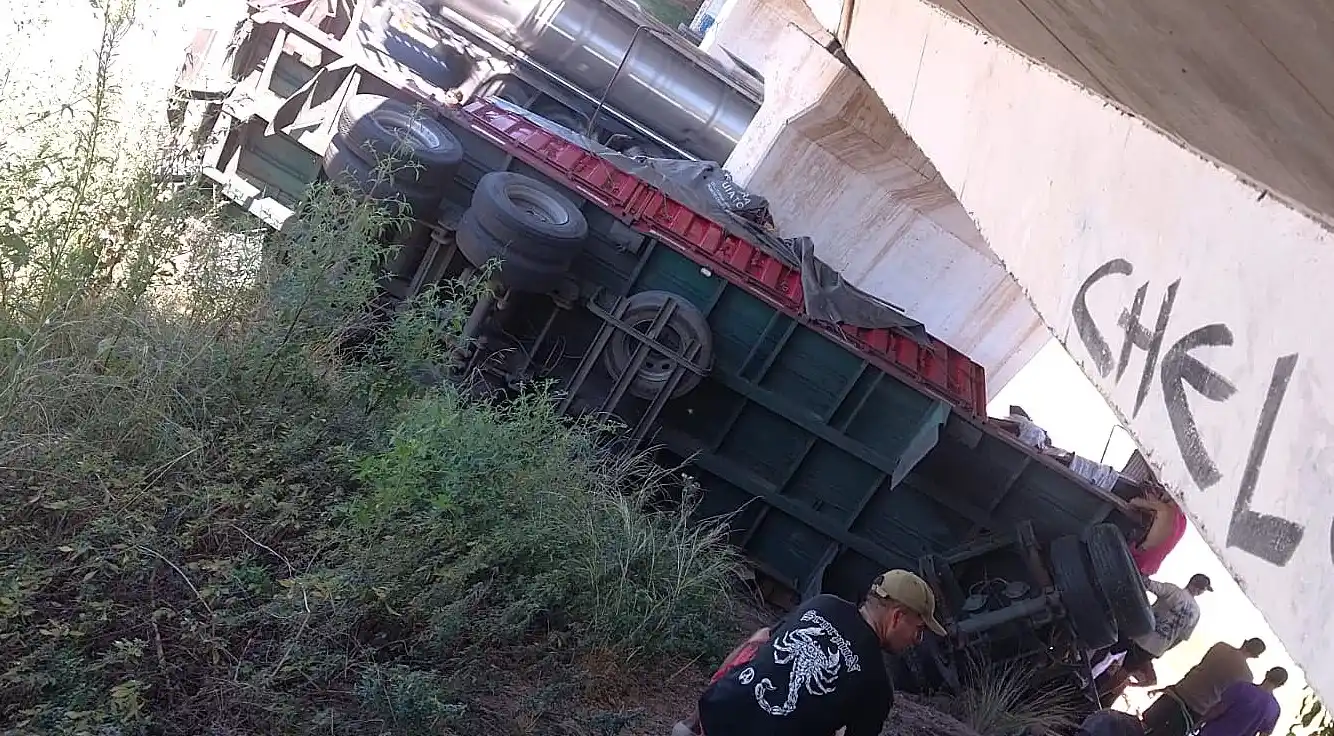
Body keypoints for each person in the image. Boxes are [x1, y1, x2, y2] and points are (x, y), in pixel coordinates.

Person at [693, 569, 946, 736]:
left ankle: (689, 726)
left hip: (716, 713)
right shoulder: (878, 686)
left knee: (762, 637)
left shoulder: (823, 603)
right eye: (919, 628)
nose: (917, 639)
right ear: (897, 617)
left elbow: (765, 642)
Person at [1141, 638, 1266, 736]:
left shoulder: (1220, 646)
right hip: (1198, 709)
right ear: (1256, 656)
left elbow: (1201, 665)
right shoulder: (1247, 677)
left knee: (1143, 726)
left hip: (1180, 691)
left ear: (1245, 642)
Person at [1103, 573, 1211, 680]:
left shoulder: (1173, 590)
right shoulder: (1196, 612)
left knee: (1106, 649)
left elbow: (1148, 584)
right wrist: (1164, 648)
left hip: (1139, 631)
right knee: (1125, 672)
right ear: (1200, 590)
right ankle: (1101, 693)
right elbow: (1181, 638)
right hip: (1155, 647)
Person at [1196, 667, 1288, 736]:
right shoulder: (1275, 710)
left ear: (1267, 673)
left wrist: (1199, 722)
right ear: (1280, 685)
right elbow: (1264, 734)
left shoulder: (1242, 687)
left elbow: (1218, 709)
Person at [1128, 487, 1188, 575]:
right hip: (1151, 567)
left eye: (1165, 489)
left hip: (1137, 560)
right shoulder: (1183, 521)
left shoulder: (1164, 508)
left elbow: (1134, 502)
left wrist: (1150, 498)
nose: (1162, 490)